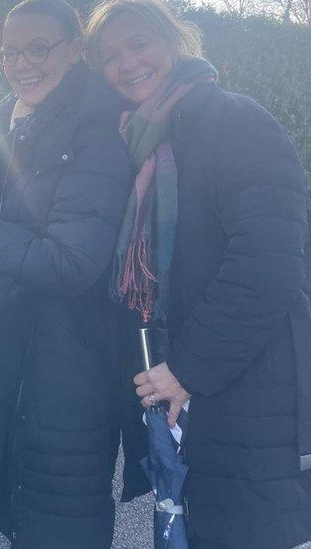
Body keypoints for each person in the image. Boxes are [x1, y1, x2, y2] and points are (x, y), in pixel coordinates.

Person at [86, 1, 311, 546]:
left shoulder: (234, 120)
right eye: (110, 55)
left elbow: (271, 258)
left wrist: (187, 368)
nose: (128, 63)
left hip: (253, 389)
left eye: (140, 44)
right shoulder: (136, 143)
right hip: (195, 390)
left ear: (175, 42)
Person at [0, 0, 133, 546]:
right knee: (8, 511)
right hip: (9, 358)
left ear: (76, 51)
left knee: (60, 520)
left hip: (69, 373)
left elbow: (71, 262)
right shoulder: (11, 119)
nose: (22, 63)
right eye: (9, 51)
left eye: (39, 48)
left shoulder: (97, 131)